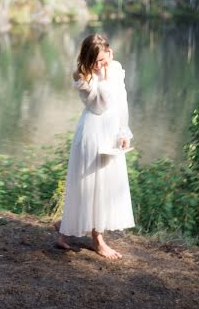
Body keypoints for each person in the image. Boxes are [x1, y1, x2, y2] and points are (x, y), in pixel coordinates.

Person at [54, 33, 135, 260]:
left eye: (104, 59)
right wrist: (106, 75)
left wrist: (123, 131)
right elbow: (100, 105)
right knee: (90, 183)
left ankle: (64, 229)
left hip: (111, 132)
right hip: (92, 132)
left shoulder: (115, 67)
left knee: (107, 183)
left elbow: (121, 101)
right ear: (88, 59)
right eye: (97, 61)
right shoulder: (82, 75)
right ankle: (98, 241)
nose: (102, 64)